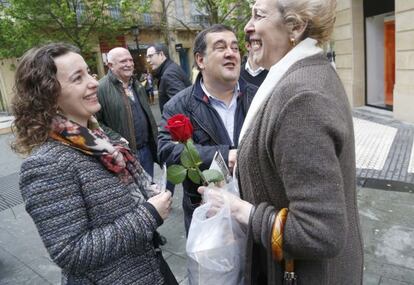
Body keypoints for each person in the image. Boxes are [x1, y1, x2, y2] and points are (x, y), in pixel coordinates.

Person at [199, 0, 364, 284]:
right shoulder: (303, 73)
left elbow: (319, 231)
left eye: (258, 15)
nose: (247, 27)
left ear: (296, 27)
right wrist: (254, 161)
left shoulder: (301, 95)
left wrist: (240, 210)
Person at [11, 43, 177, 284]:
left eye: (89, 72)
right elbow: (71, 252)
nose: (93, 82)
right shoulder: (45, 165)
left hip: (151, 267)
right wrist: (149, 215)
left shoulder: (102, 140)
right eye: (78, 78)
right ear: (49, 96)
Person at [158, 24, 257, 234]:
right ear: (200, 60)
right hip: (209, 220)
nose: (231, 53)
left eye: (235, 47)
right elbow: (166, 151)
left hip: (255, 214)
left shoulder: (260, 97)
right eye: (220, 47)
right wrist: (222, 155)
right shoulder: (178, 106)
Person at [96, 47, 158, 178]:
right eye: (123, 61)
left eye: (130, 60)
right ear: (110, 65)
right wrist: (117, 140)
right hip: (125, 156)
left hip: (146, 151)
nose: (129, 64)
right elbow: (95, 122)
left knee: (151, 191)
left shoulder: (137, 85)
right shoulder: (100, 89)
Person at [146, 43, 191, 113]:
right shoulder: (170, 68)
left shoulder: (169, 74)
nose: (148, 60)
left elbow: (181, 106)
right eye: (147, 57)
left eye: (150, 56)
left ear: (161, 55)